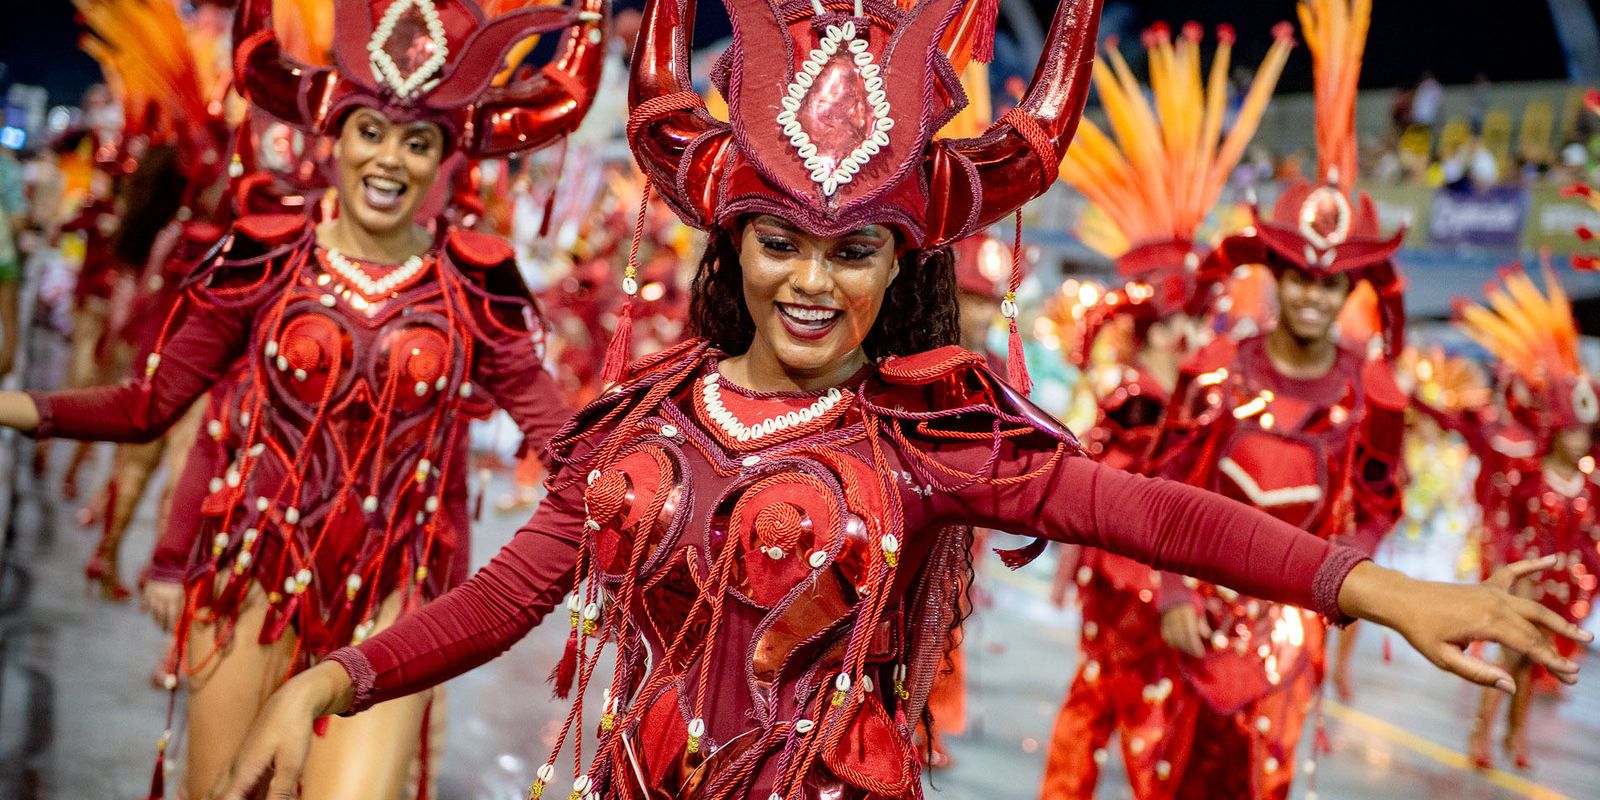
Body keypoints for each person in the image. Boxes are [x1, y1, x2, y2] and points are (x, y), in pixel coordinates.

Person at [211, 0, 1586, 798]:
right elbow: (513, 594)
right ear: (730, 243)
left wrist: (1390, 594)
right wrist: (338, 674)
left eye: (854, 248)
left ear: (901, 263)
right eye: (780, 241)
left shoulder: (934, 442)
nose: (811, 281)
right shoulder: (642, 420)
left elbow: (1158, 517)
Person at [0, 0, 606, 795]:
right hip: (254, 572)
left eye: (417, 140)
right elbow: (150, 408)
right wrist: (17, 409)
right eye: (370, 131)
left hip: (399, 594)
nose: (390, 158)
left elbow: (565, 446)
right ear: (337, 137)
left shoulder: (474, 288)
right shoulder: (267, 258)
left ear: (444, 159)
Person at [1134, 2, 1420, 797]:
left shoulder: (1375, 394)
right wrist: (1174, 590)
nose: (1312, 300)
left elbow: (1379, 503)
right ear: (1276, 274)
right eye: (1299, 277)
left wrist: (1341, 575)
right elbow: (1160, 488)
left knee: (1268, 783)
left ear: (1348, 290)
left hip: (1295, 625)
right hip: (1196, 617)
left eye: (1331, 286)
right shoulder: (1219, 367)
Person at [1038, 19, 1292, 799]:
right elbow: (1108, 487)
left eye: (1200, 318)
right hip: (1133, 590)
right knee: (1121, 717)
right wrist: (1146, 580)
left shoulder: (1203, 395)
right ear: (1156, 325)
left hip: (1178, 584)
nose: (1196, 333)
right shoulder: (1133, 396)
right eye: (1183, 321)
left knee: (1157, 728)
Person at [1452, 265, 1600, 770]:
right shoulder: (1530, 474)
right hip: (1525, 586)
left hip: (1560, 590)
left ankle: (1516, 739)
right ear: (1556, 429)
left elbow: (1589, 541)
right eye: (1572, 430)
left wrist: (1581, 583)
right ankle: (1481, 735)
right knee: (1509, 661)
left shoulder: (1591, 483)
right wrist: (1519, 574)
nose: (1579, 439)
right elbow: (1507, 525)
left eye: (1586, 431)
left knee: (1533, 664)